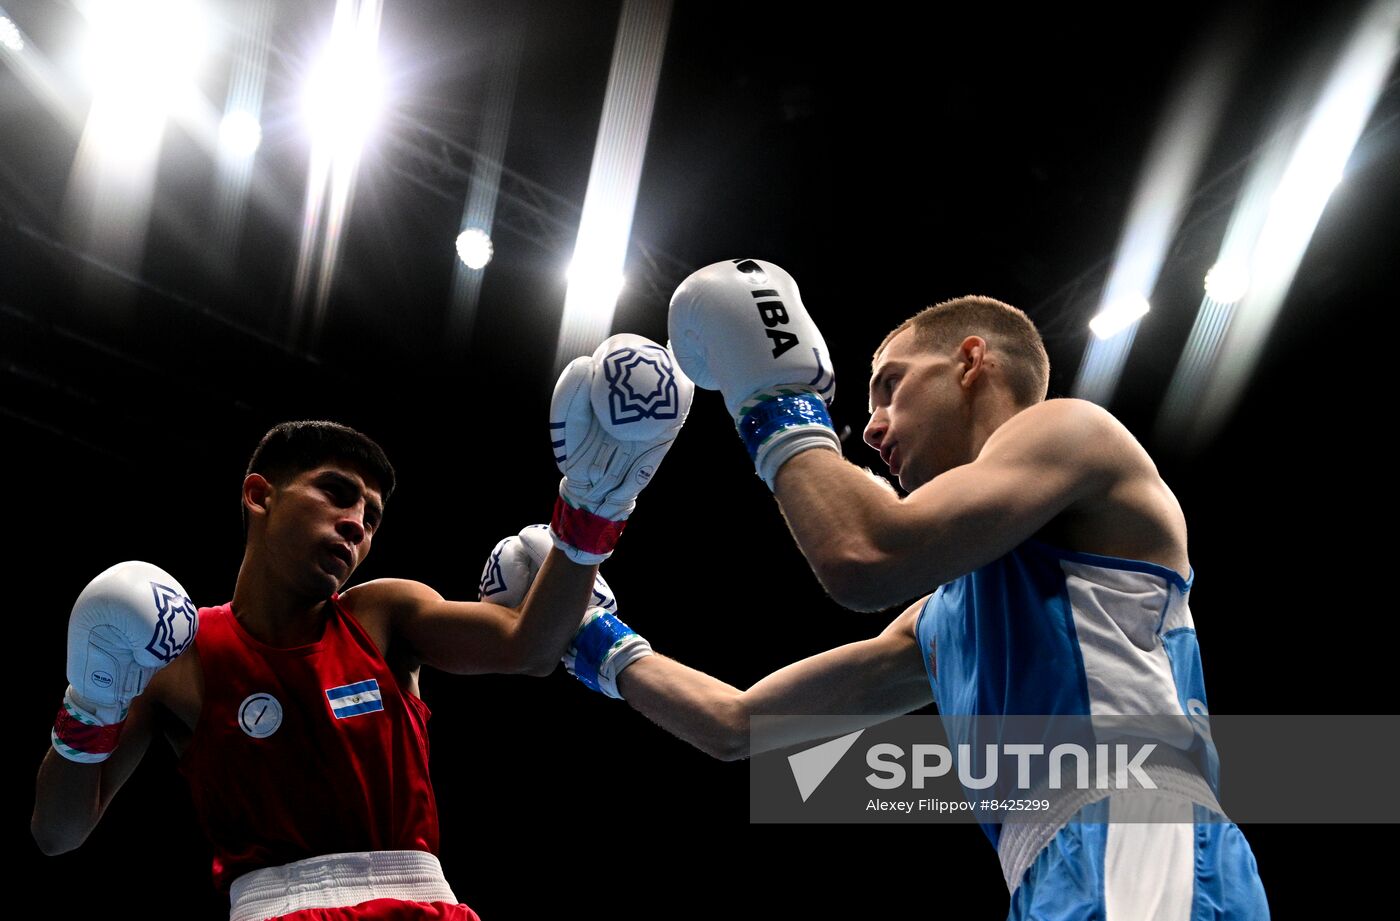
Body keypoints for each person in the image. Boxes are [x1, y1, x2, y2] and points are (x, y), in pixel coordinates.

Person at [543, 260, 1269, 919]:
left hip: (1140, 834)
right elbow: (737, 723)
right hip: (1049, 874)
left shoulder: (1075, 432)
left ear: (971, 362)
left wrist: (777, 400)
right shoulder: (947, 613)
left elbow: (863, 555)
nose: (876, 426)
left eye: (890, 384)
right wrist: (587, 630)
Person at [32, 335, 692, 920]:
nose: (358, 523)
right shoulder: (178, 654)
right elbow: (57, 834)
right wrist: (89, 705)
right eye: (338, 493)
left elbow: (532, 647)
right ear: (261, 494)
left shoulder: (383, 613)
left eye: (372, 515)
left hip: (423, 900)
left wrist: (592, 510)